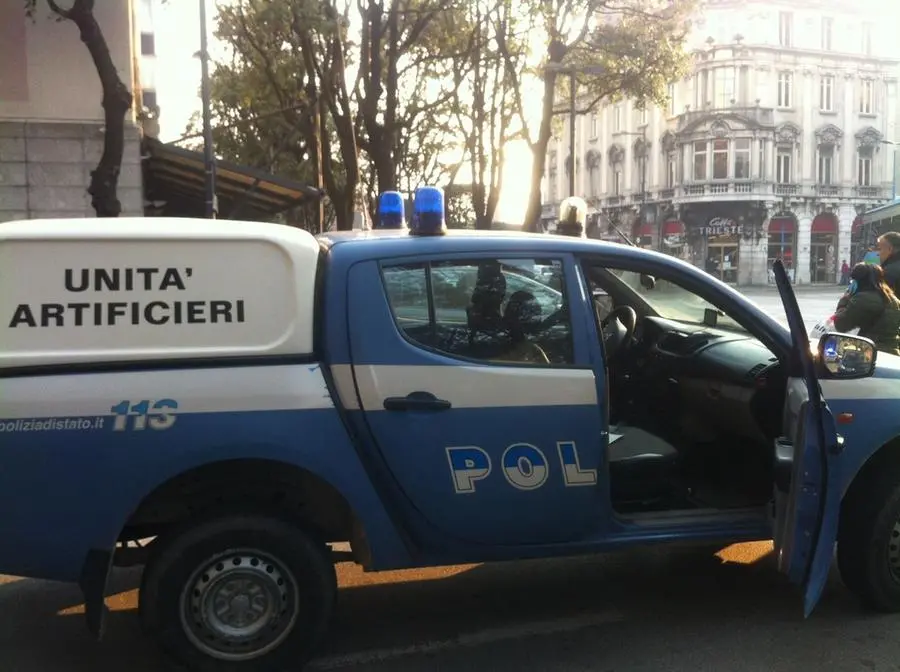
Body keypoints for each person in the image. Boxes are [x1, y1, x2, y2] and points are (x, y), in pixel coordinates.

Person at [833, 263, 900, 355]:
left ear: (860, 281)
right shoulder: (893, 299)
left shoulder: (862, 299)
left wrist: (844, 301)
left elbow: (841, 324)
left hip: (870, 353)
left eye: (853, 280)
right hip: (892, 351)